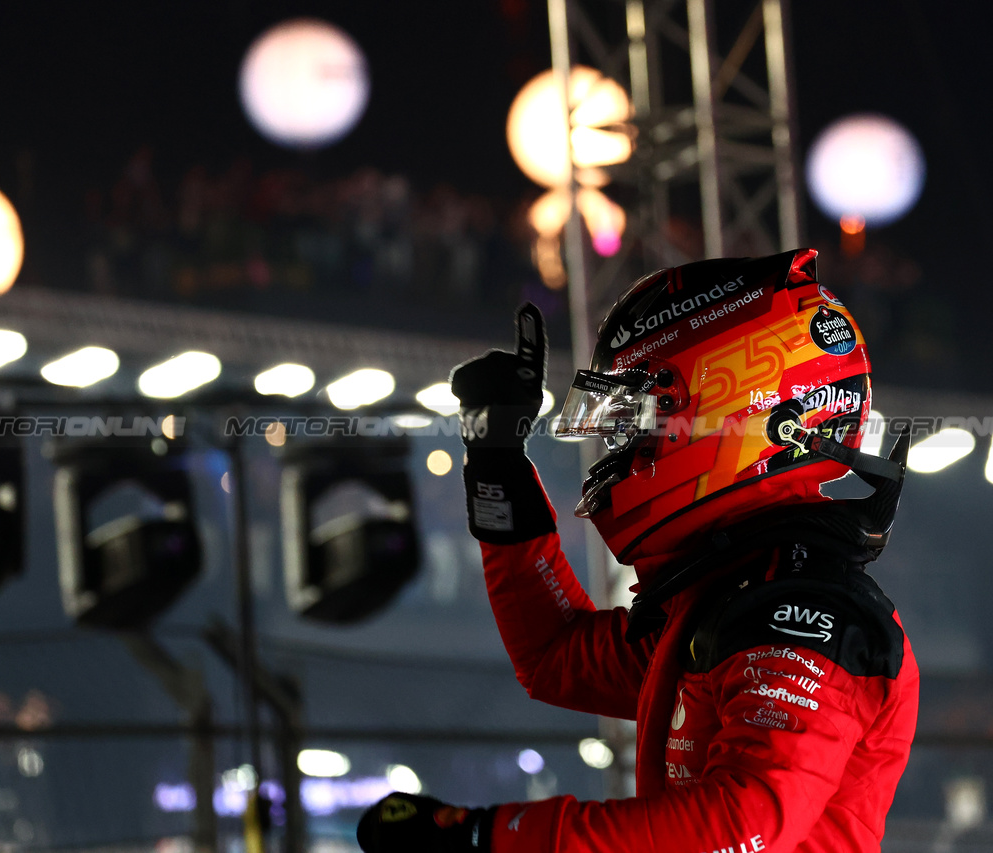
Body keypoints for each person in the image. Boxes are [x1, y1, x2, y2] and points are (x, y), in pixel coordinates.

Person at [357, 249, 919, 853]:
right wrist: (495, 459)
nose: (623, 445)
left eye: (643, 421)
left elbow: (742, 821)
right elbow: (555, 655)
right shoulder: (730, 599)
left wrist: (482, 838)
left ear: (738, 408)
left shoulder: (810, 614)